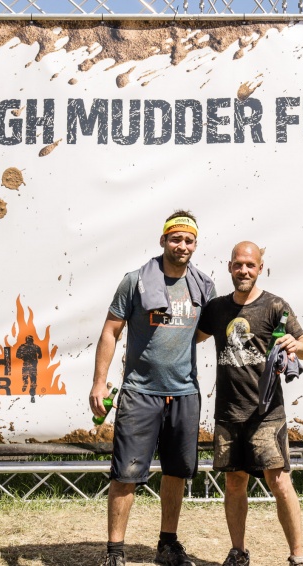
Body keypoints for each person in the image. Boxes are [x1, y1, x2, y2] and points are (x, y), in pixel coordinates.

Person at [89, 211, 216, 566]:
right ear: (163, 240)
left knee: (176, 472)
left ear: (195, 244)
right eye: (176, 238)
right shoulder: (134, 281)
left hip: (184, 393)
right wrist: (99, 382)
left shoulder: (204, 286)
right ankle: (115, 552)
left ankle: (168, 545)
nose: (182, 245)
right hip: (139, 392)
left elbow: (203, 332)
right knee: (126, 474)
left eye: (189, 240)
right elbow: (111, 331)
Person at [197, 242, 303, 566]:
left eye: (250, 265)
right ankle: (238, 552)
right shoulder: (216, 309)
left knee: (279, 482)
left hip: (267, 414)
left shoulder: (275, 306)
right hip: (228, 413)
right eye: (238, 264)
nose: (244, 270)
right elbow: (189, 338)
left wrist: (296, 345)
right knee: (234, 482)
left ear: (260, 268)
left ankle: (298, 557)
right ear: (229, 267)